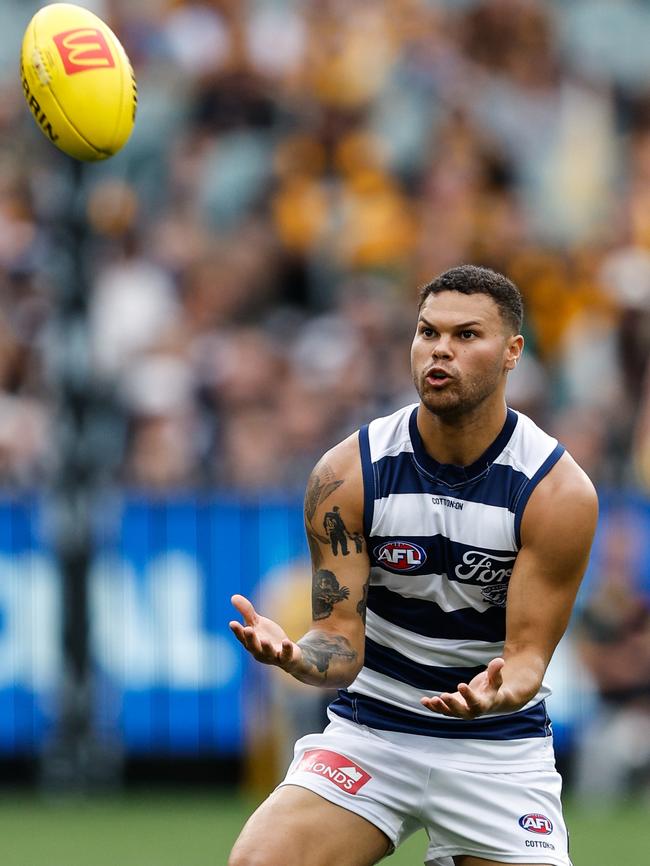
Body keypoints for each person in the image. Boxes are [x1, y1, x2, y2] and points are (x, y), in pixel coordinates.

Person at [228, 265, 598, 866]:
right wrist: (300, 656)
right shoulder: (347, 473)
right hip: (375, 730)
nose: (440, 351)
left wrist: (498, 693)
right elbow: (339, 647)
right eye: (428, 332)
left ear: (512, 353)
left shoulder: (556, 492)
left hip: (496, 748)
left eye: (465, 336)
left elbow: (528, 657)